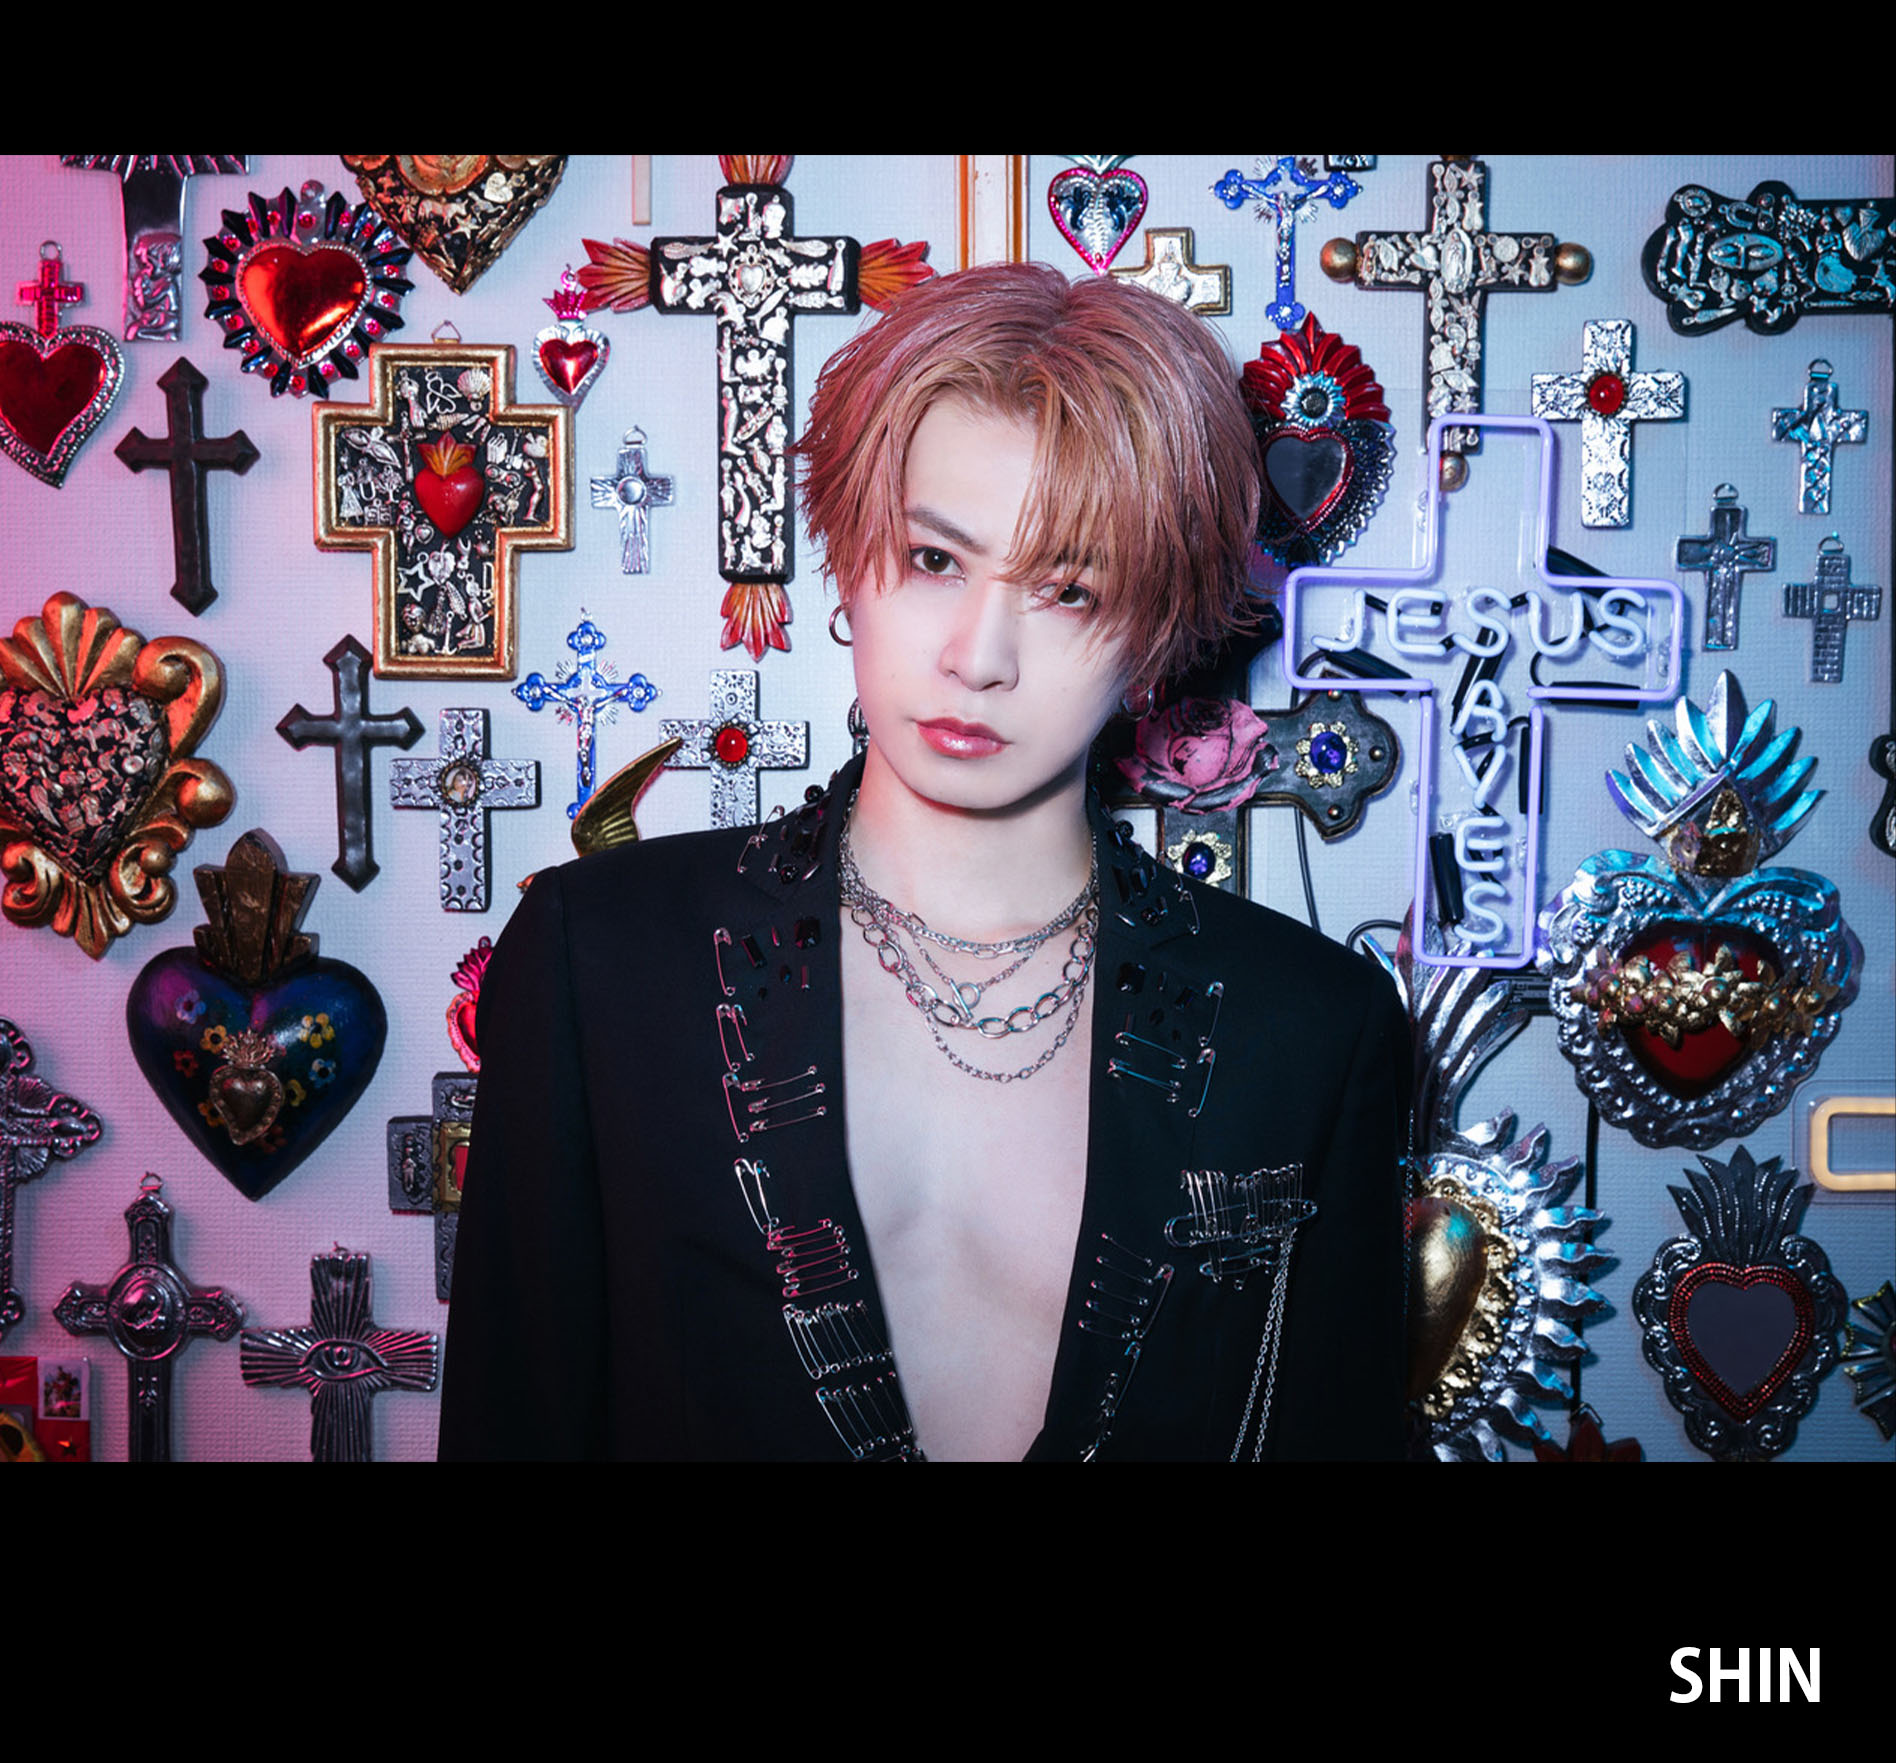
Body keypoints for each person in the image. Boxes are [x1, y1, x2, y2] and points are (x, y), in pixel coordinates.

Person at [439, 263, 1411, 1461]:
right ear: (850, 562)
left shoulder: (1309, 1025)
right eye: (936, 559)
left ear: (1156, 640)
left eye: (1069, 589)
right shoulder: (601, 959)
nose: (978, 656)